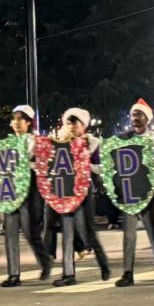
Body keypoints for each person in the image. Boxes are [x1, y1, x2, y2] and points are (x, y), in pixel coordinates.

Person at [46, 108, 109, 287]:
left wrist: (85, 161)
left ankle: (103, 264)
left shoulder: (92, 143)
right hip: (65, 191)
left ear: (84, 125)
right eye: (69, 122)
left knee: (88, 229)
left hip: (85, 191)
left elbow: (100, 167)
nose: (72, 126)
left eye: (76, 123)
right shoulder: (60, 143)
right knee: (67, 232)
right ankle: (68, 273)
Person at [114, 100, 154, 287]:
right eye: (134, 115)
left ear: (147, 118)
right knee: (128, 234)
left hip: (149, 191)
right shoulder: (122, 139)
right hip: (129, 192)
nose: (136, 118)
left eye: (139, 115)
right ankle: (127, 272)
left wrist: (148, 163)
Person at [0, 104, 52, 287]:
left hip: (29, 189)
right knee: (10, 232)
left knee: (31, 231)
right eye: (13, 119)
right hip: (11, 190)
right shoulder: (6, 143)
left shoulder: (36, 142)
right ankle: (13, 273)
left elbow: (42, 166)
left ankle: (44, 260)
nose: (15, 123)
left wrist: (24, 164)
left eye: (20, 119)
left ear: (28, 122)